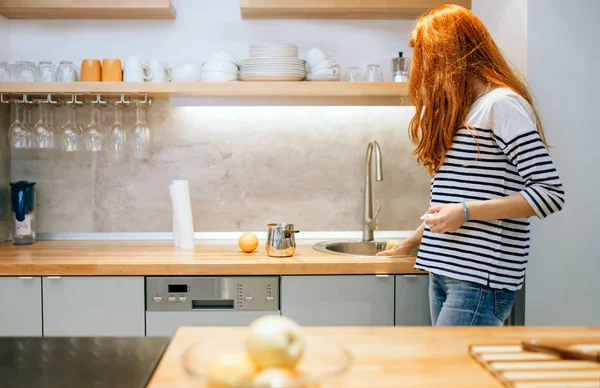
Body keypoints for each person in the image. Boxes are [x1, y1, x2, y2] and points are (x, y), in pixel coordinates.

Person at [377, 4, 565, 326]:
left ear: (449, 55)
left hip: (478, 280)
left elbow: (549, 194)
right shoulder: (467, 112)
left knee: (455, 377)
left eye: (425, 57)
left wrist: (465, 212)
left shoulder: (501, 105)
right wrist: (412, 241)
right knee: (447, 374)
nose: (419, 69)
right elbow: (451, 202)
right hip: (444, 269)